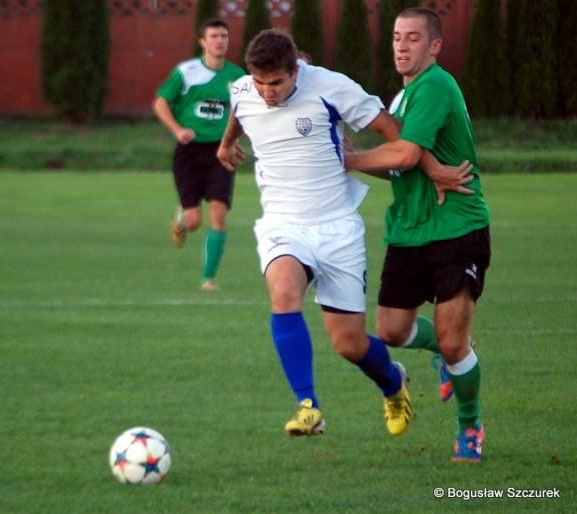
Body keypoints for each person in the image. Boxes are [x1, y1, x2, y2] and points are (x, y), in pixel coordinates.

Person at [216, 29, 414, 438]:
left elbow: (397, 135)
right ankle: (309, 406)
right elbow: (239, 109)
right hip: (282, 224)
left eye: (276, 83)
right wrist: (225, 145)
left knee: (349, 345)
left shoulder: (332, 87)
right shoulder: (243, 90)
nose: (267, 93)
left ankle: (393, 384)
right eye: (260, 83)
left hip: (338, 228)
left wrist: (429, 168)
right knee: (284, 289)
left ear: (296, 71)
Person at [345, 7, 491, 462]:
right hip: (408, 231)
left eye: (412, 38)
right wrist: (373, 157)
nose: (401, 46)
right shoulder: (404, 96)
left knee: (452, 342)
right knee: (390, 330)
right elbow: (400, 164)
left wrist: (345, 159)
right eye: (395, 37)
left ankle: (470, 426)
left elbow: (407, 154)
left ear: (434, 46)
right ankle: (451, 354)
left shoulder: (434, 86)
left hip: (456, 225)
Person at [153, 18, 245, 291]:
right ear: (203, 42)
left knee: (218, 212)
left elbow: (245, 113)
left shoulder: (238, 76)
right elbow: (160, 103)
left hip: (220, 152)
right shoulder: (186, 71)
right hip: (189, 152)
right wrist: (177, 129)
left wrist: (236, 140)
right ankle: (181, 218)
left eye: (224, 36)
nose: (220, 41)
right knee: (194, 222)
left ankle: (208, 278)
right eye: (214, 36)